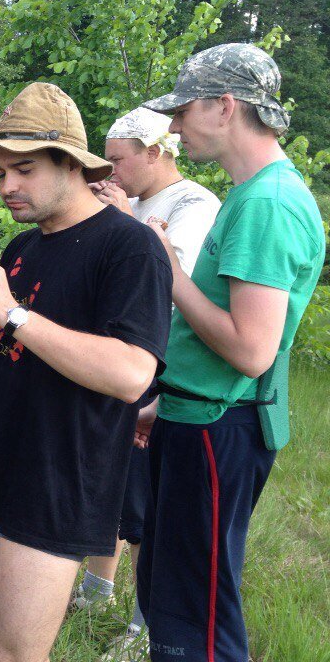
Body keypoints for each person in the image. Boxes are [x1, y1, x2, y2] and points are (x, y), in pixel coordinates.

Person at [0, 82, 173, 662]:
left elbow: (132, 372)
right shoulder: (23, 248)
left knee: (15, 654)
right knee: (1, 641)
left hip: (64, 478)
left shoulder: (130, 248)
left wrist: (13, 312)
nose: (8, 186)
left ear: (72, 164)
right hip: (1, 463)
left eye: (25, 169)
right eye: (1, 172)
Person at [135, 43, 325, 662]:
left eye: (183, 109)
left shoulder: (267, 205)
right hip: (195, 418)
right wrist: (166, 402)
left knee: (198, 619)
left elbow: (251, 348)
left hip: (220, 433)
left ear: (224, 106)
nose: (173, 126)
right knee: (171, 597)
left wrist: (169, 273)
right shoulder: (250, 195)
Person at [76, 107, 221, 660]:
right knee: (111, 485)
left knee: (145, 507)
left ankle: (144, 625)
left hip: (160, 372)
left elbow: (168, 280)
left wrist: (123, 220)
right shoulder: (132, 203)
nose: (110, 171)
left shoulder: (194, 204)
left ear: (157, 151)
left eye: (117, 159)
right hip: (115, 360)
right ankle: (99, 589)